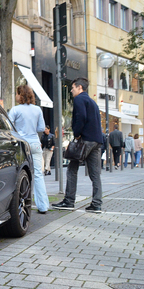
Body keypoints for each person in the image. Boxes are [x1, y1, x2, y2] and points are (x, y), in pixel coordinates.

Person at [53, 78, 103, 213]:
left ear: (80, 87)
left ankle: (69, 201)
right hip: (97, 141)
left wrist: (76, 134)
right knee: (95, 174)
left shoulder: (80, 99)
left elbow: (81, 117)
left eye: (73, 87)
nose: (71, 90)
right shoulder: (92, 102)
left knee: (71, 169)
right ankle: (96, 204)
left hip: (85, 140)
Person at [8, 85, 49, 214]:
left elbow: (8, 126)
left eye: (16, 93)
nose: (15, 96)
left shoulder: (15, 110)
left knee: (20, 174)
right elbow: (41, 128)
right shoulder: (37, 110)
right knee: (38, 174)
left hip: (22, 145)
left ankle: (23, 203)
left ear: (21, 95)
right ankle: (43, 206)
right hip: (35, 144)